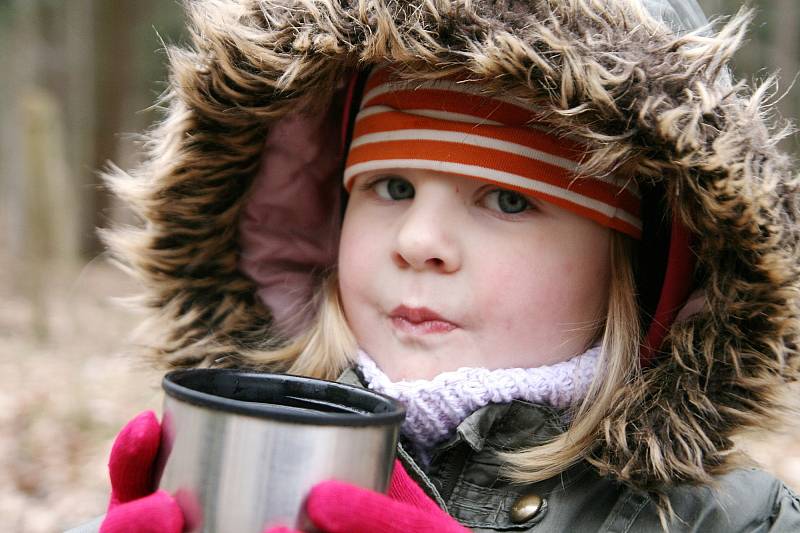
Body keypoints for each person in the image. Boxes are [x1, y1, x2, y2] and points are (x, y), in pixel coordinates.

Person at [85, 0, 800, 531]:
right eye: (391, 187)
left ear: (639, 264)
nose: (419, 238)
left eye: (507, 199)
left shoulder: (732, 518)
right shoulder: (231, 456)